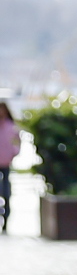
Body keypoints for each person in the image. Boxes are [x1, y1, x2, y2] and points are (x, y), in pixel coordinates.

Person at [0, 99, 19, 235]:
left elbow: (16, 143)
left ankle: (6, 218)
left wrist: (13, 153)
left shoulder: (11, 127)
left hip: (6, 163)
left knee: (6, 191)